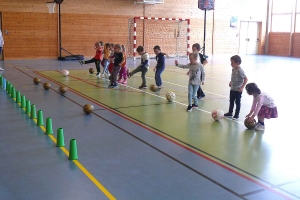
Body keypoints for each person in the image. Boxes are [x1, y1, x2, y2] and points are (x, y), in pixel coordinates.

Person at [224, 55, 248, 120]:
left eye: (232, 62)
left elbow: (246, 79)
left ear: (237, 63)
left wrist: (242, 87)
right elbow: (233, 77)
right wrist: (231, 81)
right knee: (231, 101)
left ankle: (236, 115)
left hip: (238, 90)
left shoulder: (240, 71)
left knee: (237, 102)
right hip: (232, 89)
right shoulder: (233, 69)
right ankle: (230, 113)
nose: (231, 64)